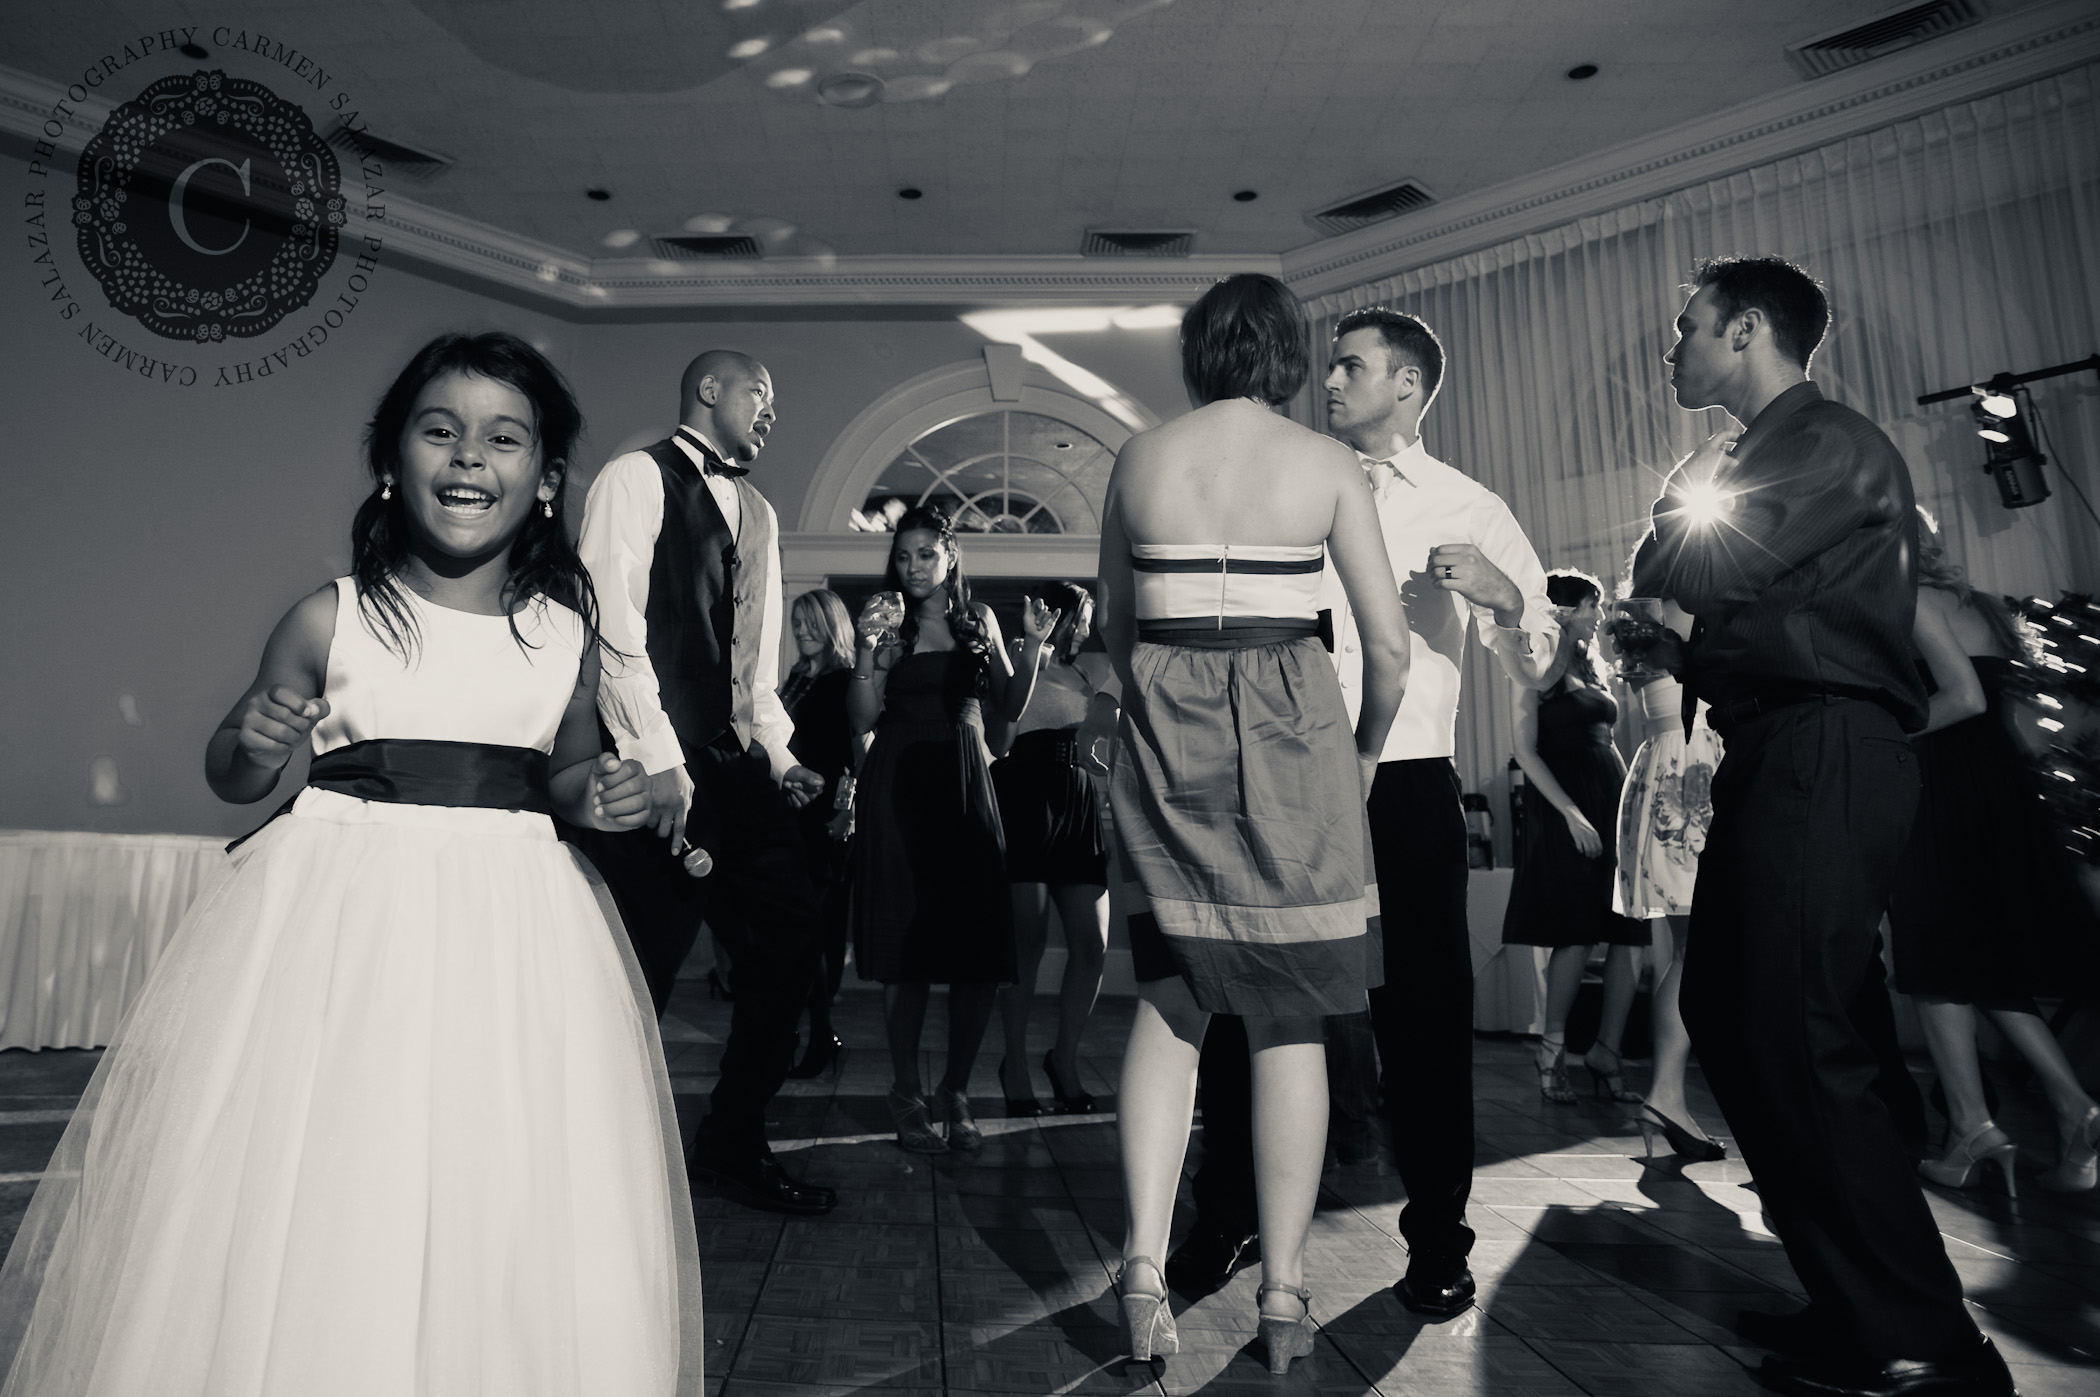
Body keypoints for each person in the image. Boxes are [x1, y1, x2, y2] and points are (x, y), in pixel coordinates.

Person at [0, 333, 703, 1395]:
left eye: (505, 437)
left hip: (509, 928)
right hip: (338, 922)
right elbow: (236, 775)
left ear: (548, 480)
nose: (470, 455)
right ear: (392, 461)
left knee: (495, 1165)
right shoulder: (331, 616)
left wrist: (598, 792)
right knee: (330, 1162)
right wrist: (257, 736)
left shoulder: (565, 635)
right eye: (441, 430)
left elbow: (559, 771)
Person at [1633, 256, 2013, 1396]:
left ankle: (1930, 1341)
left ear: (1747, 330)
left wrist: (1675, 547)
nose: (1673, 346)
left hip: (1830, 742)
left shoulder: (1828, 441)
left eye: (1689, 327)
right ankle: (1856, 1304)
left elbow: (1682, 569)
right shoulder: (1774, 453)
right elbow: (1674, 595)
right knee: (1738, 1015)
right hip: (1780, 744)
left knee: (1797, 1028)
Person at [1168, 307, 1560, 1325]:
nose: (1329, 380)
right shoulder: (1288, 479)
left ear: (1410, 386)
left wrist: (1510, 599)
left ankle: (1437, 1240)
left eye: (1350, 365)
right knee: (1243, 1004)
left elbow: (1545, 657)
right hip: (1280, 778)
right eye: (1331, 365)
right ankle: (1225, 1213)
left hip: (1406, 787)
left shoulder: (1471, 505)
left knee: (1423, 1023)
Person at [1098, 273, 1409, 1374]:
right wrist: (1362, 754)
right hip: (1296, 737)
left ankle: (1141, 1268)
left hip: (1169, 726)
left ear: (1199, 353)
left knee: (1171, 1006)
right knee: (1293, 1019)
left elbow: (1111, 626)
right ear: (1286, 355)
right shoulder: (1326, 464)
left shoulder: (1142, 457)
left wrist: (1164, 715)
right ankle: (1282, 1294)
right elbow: (1391, 647)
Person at [562, 350, 836, 1217]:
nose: (771, 412)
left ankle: (731, 1136)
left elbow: (755, 661)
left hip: (731, 765)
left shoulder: (757, 509)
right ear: (709, 390)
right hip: (650, 765)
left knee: (793, 938)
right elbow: (610, 626)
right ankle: (586, 1158)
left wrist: (784, 758)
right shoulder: (634, 480)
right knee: (638, 968)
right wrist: (656, 756)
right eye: (762, 391)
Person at [1893, 514, 2099, 1196]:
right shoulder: (1981, 604)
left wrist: (1881, 733)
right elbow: (2009, 715)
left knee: (1935, 958)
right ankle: (2055, 1107)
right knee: (1975, 963)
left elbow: (1963, 697)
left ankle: (1975, 1125)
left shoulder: (1911, 602)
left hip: (1943, 790)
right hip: (2000, 787)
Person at [848, 505, 1058, 1154]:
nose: (912, 567)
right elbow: (860, 717)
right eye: (903, 555)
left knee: (974, 959)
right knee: (906, 962)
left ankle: (955, 1092)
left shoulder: (978, 622)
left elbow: (1011, 706)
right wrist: (864, 648)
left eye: (925, 555)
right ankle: (907, 1092)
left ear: (951, 556)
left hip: (968, 789)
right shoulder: (888, 622)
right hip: (898, 787)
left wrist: (1032, 646)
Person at [1502, 570, 1650, 1105]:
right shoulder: (1532, 663)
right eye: (1594, 605)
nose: (1600, 614)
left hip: (1611, 796)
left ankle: (1607, 1049)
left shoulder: (1592, 663)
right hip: (1568, 802)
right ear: (1565, 610)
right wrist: (1569, 814)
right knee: (1579, 931)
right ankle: (1552, 1048)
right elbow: (1524, 749)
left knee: (1632, 931)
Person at [989, 581, 1119, 1116]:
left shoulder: (1086, 672)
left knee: (1092, 944)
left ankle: (1063, 1058)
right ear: (1062, 616)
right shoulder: (1021, 658)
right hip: (1025, 799)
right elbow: (999, 736)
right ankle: (1014, 1063)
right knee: (1028, 943)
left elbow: (1097, 742)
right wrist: (1031, 652)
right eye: (1083, 618)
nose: (1087, 629)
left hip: (1079, 802)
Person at [1608, 592, 1727, 1160]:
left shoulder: (1644, 618)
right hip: (1696, 770)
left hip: (1668, 763)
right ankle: (1667, 1096)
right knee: (1698, 953)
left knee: (1691, 952)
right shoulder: (1685, 612)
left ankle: (1668, 1098)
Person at [780, 588, 860, 1080]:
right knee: (794, 933)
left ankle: (821, 1032)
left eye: (812, 622)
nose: (802, 630)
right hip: (791, 818)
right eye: (797, 622)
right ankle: (802, 1030)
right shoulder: (795, 678)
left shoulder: (846, 680)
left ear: (833, 625)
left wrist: (845, 813)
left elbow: (857, 752)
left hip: (825, 823)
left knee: (810, 936)